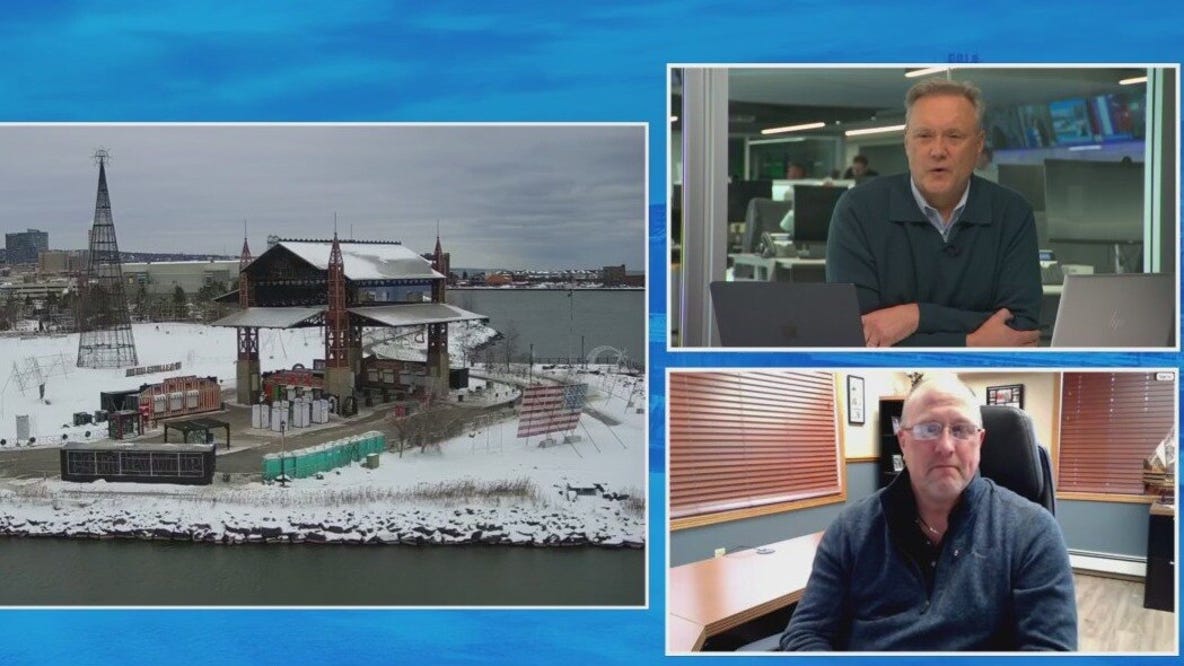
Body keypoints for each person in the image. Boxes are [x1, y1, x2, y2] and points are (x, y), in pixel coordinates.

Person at [780, 376, 1077, 651]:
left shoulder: (1033, 532)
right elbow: (805, 634)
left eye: (961, 430)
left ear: (980, 441)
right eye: (928, 429)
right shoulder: (851, 529)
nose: (945, 446)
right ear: (903, 441)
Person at [825, 79, 1041, 347]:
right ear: (907, 142)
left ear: (978, 144)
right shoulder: (858, 210)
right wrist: (970, 343)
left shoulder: (1012, 213)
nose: (938, 151)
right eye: (924, 135)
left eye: (954, 136)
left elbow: (1020, 329)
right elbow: (860, 334)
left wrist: (915, 316)